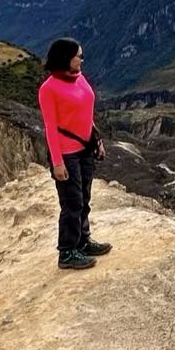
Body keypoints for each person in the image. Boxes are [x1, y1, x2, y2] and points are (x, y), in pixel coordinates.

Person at [38, 37, 112, 270]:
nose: (82, 59)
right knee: (72, 203)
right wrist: (57, 163)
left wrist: (96, 138)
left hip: (84, 148)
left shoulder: (79, 78)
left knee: (84, 198)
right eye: (78, 55)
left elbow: (86, 113)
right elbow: (50, 127)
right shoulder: (48, 89)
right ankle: (67, 252)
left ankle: (82, 240)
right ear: (65, 58)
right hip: (66, 153)